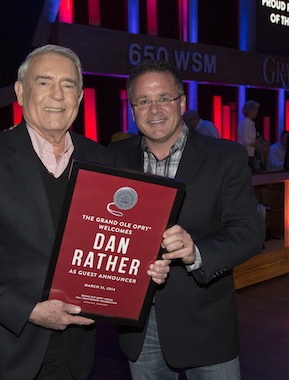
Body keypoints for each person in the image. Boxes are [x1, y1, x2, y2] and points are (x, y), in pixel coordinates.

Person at [0, 45, 170, 380]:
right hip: (3, 351)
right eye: (44, 83)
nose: (57, 95)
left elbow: (113, 242)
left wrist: (144, 265)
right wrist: (28, 311)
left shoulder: (101, 160)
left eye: (69, 85)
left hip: (74, 352)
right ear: (20, 91)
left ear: (80, 96)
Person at [108, 60, 265, 379]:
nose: (154, 109)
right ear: (132, 108)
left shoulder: (226, 156)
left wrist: (197, 253)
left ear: (181, 102)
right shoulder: (112, 158)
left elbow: (249, 232)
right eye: (143, 101)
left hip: (205, 324)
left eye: (164, 98)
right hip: (139, 325)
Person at [237, 100, 260, 170]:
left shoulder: (252, 123)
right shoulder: (245, 123)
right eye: (255, 109)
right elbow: (246, 141)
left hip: (250, 153)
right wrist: (256, 143)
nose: (257, 111)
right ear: (249, 111)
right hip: (245, 154)